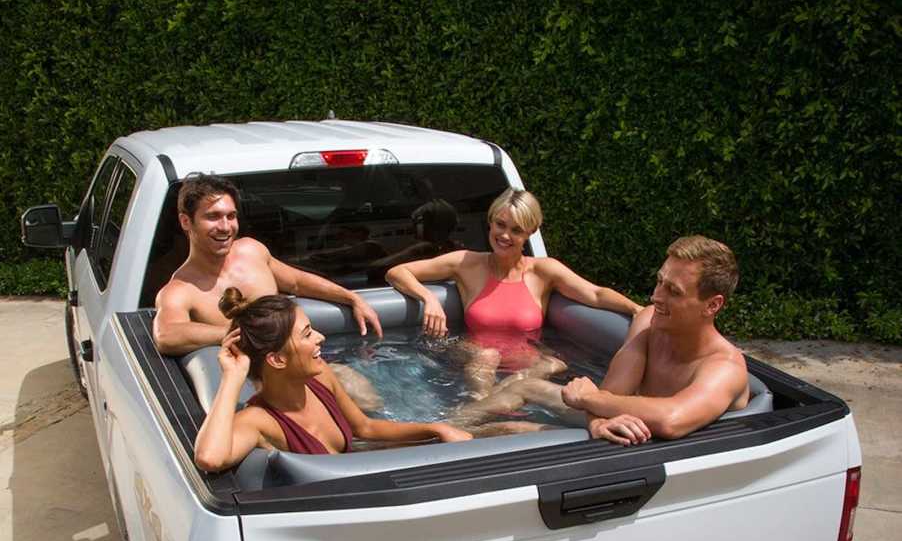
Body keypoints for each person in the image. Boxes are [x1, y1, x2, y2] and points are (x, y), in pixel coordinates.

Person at [462, 235, 749, 442]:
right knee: (527, 386)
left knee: (514, 432)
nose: (655, 296)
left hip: (656, 451)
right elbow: (612, 392)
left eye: (673, 291)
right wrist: (598, 422)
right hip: (622, 426)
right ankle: (441, 429)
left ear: (712, 305)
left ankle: (445, 441)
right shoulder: (649, 322)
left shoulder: (725, 368)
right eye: (660, 281)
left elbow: (671, 420)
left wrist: (592, 400)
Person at [154, 174, 385, 407]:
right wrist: (242, 334)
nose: (225, 227)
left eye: (231, 216)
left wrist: (351, 297)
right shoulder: (180, 289)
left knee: (370, 402)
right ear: (186, 222)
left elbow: (295, 281)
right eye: (213, 217)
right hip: (261, 386)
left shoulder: (251, 251)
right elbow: (167, 335)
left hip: (305, 363)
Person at [386, 188, 642, 398]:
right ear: (490, 222)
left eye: (517, 230)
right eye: (500, 224)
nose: (505, 235)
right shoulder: (465, 263)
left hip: (525, 366)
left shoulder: (544, 271)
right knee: (489, 356)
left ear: (530, 232)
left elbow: (595, 294)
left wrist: (636, 310)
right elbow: (397, 272)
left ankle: (485, 413)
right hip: (473, 355)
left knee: (555, 363)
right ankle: (481, 410)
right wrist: (428, 298)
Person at [194, 290, 470, 472]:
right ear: (277, 359)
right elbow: (209, 458)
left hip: (361, 474)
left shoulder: (320, 376)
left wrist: (436, 429)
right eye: (306, 334)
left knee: (502, 428)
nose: (321, 337)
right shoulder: (259, 420)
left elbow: (365, 427)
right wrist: (232, 377)